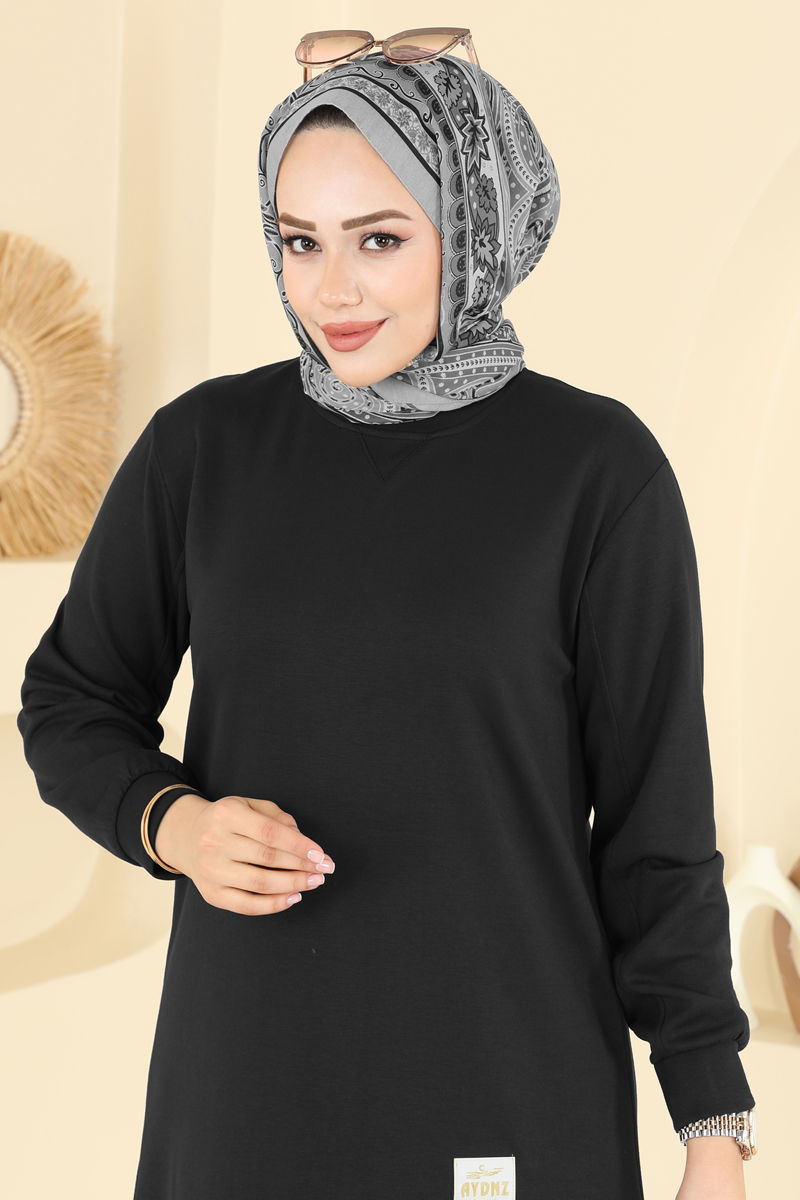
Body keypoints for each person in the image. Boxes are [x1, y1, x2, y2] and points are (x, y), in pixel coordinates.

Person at [17, 44, 756, 1200]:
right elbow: (71, 701)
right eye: (298, 241)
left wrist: (709, 1121)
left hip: (511, 1081)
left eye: (377, 239)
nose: (330, 291)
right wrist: (174, 825)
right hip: (249, 1086)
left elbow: (653, 822)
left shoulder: (594, 472)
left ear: (472, 228)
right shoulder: (204, 450)